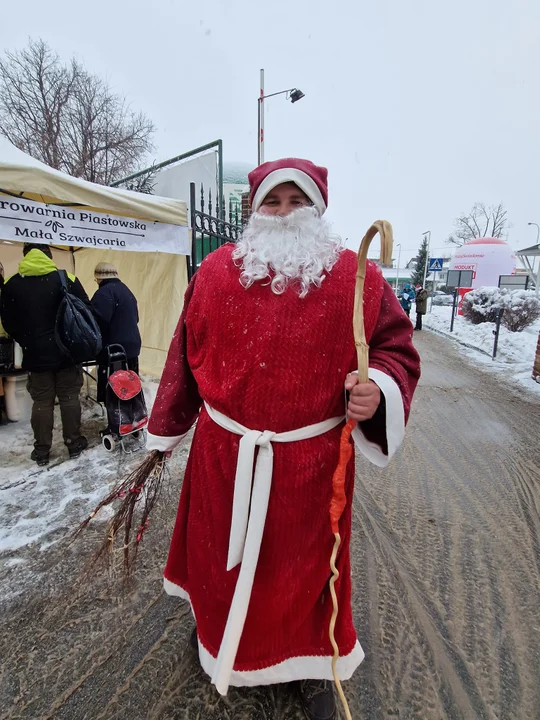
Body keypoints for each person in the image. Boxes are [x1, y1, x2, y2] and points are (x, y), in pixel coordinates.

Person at [146, 158, 420, 720]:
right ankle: (219, 639)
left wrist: (381, 389)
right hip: (225, 458)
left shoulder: (356, 278)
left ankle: (312, 663)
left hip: (310, 468)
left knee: (304, 575)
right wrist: (166, 430)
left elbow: (394, 348)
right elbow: (184, 354)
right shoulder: (217, 272)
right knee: (220, 563)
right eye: (273, 202)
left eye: (298, 202)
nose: (285, 213)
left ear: (318, 211)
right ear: (254, 211)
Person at [0, 244, 89, 465]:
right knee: (69, 397)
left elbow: (8, 323)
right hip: (66, 352)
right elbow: (85, 309)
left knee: (42, 402)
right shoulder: (65, 278)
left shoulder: (12, 284)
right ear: (49, 255)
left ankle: (42, 451)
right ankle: (74, 442)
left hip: (35, 355)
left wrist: (28, 340)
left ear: (25, 256)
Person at [91, 262, 141, 406]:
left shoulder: (104, 293)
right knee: (130, 388)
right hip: (131, 347)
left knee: (116, 391)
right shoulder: (126, 290)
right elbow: (135, 318)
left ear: (99, 278)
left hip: (114, 350)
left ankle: (119, 424)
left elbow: (98, 322)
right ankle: (132, 420)